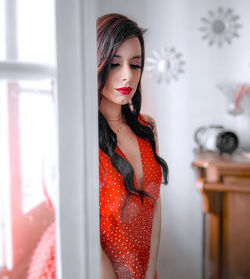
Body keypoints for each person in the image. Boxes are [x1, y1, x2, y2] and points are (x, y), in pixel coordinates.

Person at [97, 13, 169, 279]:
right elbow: (82, 231)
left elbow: (154, 205)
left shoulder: (146, 127)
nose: (127, 76)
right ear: (97, 63)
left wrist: (150, 271)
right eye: (115, 64)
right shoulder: (83, 138)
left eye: (135, 64)